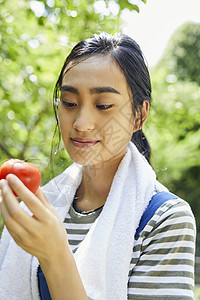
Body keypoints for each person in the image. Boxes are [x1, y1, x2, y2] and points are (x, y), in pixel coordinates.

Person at [0, 32, 196, 300]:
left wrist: (54, 254)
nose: (81, 123)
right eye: (69, 103)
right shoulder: (38, 207)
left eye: (103, 105)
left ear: (140, 115)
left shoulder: (165, 219)